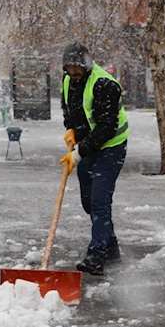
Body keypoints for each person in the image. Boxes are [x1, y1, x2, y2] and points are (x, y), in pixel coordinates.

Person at [59, 41, 129, 276]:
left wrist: (79, 151)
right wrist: (70, 129)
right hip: (87, 146)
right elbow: (69, 109)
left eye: (76, 68)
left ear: (86, 65)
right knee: (88, 201)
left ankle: (96, 255)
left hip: (111, 147)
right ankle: (111, 247)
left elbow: (107, 128)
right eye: (68, 69)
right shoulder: (68, 80)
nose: (73, 73)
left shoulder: (104, 84)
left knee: (100, 200)